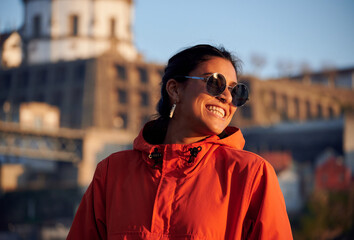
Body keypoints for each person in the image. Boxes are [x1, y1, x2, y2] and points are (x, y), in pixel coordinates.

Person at [67, 44, 293, 239]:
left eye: (236, 92)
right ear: (175, 90)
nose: (226, 97)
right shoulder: (111, 173)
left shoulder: (250, 175)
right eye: (215, 83)